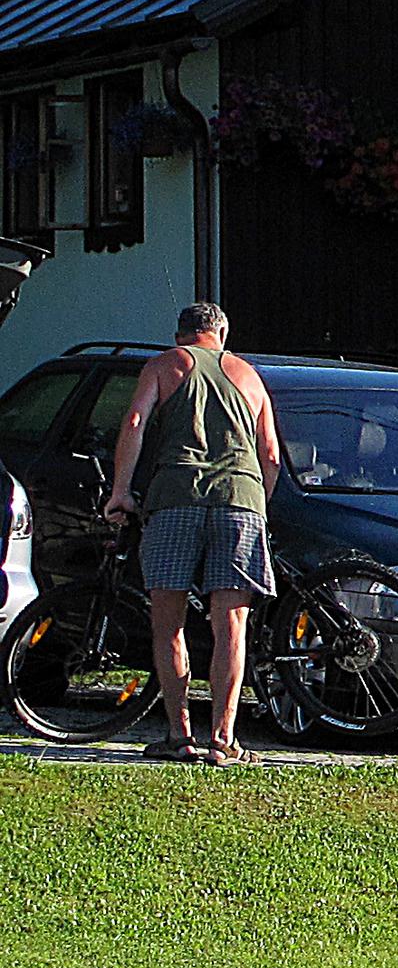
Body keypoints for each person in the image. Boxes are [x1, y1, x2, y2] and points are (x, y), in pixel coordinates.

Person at [100, 304, 284, 764]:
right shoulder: (249, 375)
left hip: (175, 496)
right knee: (231, 626)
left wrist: (121, 490)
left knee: (168, 621)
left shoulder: (165, 364)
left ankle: (180, 735)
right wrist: (258, 503)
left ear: (180, 334)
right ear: (222, 332)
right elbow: (272, 455)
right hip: (240, 501)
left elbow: (135, 423)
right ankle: (224, 739)